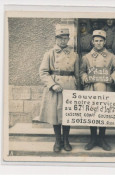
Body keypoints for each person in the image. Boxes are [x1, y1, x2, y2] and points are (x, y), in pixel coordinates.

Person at [39, 24, 80, 152]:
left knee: (67, 114)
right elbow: (43, 72)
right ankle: (57, 140)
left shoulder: (74, 55)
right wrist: (53, 84)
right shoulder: (50, 53)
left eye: (65, 38)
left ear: (68, 39)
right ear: (56, 39)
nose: (63, 41)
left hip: (69, 86)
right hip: (55, 87)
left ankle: (66, 140)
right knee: (55, 115)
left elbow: (77, 74)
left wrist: (77, 90)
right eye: (60, 38)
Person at [80, 30, 115, 151]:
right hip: (91, 88)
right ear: (92, 42)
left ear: (105, 42)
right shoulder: (86, 57)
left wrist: (112, 77)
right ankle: (92, 139)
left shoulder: (111, 56)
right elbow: (82, 71)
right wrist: (85, 77)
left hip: (106, 88)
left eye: (101, 41)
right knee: (93, 114)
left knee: (103, 114)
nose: (98, 43)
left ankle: (102, 139)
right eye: (96, 41)